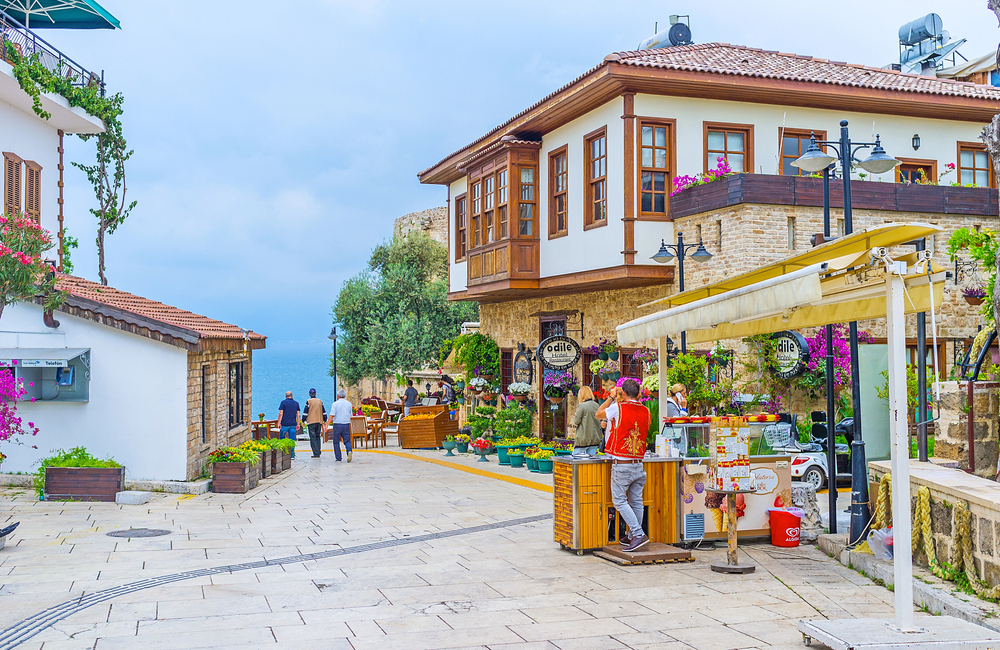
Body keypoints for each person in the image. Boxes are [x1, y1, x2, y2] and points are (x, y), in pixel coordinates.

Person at [597, 379, 652, 552]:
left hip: (622, 464)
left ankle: (638, 533)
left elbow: (598, 414)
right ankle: (631, 535)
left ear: (624, 394)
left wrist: (611, 397)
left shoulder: (618, 408)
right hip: (638, 463)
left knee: (619, 501)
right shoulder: (646, 411)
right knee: (636, 501)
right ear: (639, 394)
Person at [572, 387, 603, 456]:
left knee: (576, 460)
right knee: (590, 461)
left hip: (583, 438)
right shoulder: (597, 405)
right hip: (595, 438)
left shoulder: (582, 406)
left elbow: (576, 421)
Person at [327, 388, 353, 462]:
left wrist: (327, 424)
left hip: (337, 424)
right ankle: (349, 451)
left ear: (338, 396)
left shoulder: (335, 404)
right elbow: (350, 415)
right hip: (346, 424)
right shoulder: (349, 404)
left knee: (336, 441)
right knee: (347, 440)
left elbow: (332, 415)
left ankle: (338, 457)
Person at [303, 388, 327, 459]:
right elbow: (324, 411)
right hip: (319, 421)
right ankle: (318, 450)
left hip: (311, 422)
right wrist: (325, 420)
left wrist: (303, 420)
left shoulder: (308, 401)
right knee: (317, 436)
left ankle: (316, 453)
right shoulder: (320, 401)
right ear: (315, 394)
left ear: (309, 394)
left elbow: (305, 412)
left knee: (313, 438)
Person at [276, 392, 300, 459]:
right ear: (292, 396)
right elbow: (298, 415)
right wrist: (298, 423)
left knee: (281, 438)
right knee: (292, 440)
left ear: (285, 396)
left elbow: (281, 414)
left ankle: (282, 453)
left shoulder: (283, 403)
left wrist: (278, 423)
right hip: (293, 424)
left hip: (284, 424)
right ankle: (292, 455)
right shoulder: (296, 403)